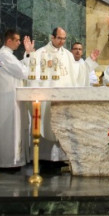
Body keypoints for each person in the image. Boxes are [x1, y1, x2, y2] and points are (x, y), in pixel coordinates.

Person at [0, 29, 35, 170]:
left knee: (12, 129)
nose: (19, 43)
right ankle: (8, 162)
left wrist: (27, 53)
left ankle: (13, 160)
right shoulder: (4, 55)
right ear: (9, 40)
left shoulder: (6, 54)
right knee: (10, 129)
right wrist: (28, 55)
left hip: (9, 96)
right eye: (16, 40)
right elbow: (23, 72)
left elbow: (20, 66)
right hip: (8, 98)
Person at [31, 27, 77, 161]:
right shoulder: (41, 53)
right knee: (47, 123)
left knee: (63, 126)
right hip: (47, 97)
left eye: (64, 39)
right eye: (59, 38)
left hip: (64, 97)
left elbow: (72, 77)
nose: (62, 41)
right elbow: (34, 75)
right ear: (52, 37)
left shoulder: (68, 55)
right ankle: (45, 158)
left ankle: (63, 158)